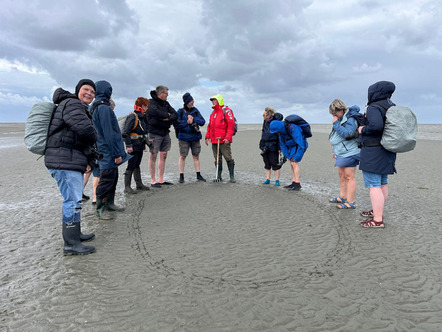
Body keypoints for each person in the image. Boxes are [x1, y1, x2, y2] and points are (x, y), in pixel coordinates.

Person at [45, 79, 98, 255]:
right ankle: (71, 244)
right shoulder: (73, 104)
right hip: (63, 160)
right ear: (78, 91)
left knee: (74, 200)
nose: (89, 93)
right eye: (86, 89)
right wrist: (95, 135)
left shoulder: (75, 105)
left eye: (92, 92)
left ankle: (76, 235)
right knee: (71, 201)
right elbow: (84, 129)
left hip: (67, 158)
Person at [357, 81, 397, 228]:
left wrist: (362, 130)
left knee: (374, 185)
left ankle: (377, 219)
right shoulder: (391, 106)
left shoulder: (374, 107)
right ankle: (376, 211)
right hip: (388, 149)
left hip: (374, 150)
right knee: (383, 183)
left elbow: (376, 126)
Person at [91, 80, 131, 220]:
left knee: (112, 177)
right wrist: (116, 154)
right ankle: (100, 208)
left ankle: (110, 203)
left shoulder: (96, 107)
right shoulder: (103, 108)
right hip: (107, 151)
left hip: (104, 149)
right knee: (106, 179)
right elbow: (109, 133)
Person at [328, 99, 361, 209]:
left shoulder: (350, 119)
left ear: (341, 109)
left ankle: (350, 202)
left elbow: (347, 134)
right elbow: (336, 137)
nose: (333, 115)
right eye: (332, 113)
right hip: (341, 152)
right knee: (342, 175)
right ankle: (342, 196)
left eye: (335, 112)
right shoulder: (341, 118)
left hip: (350, 152)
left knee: (349, 176)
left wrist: (336, 123)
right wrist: (335, 151)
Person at [82, 99, 115, 204]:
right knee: (96, 174)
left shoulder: (91, 112)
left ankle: (79, 192)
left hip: (89, 148)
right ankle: (95, 198)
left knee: (88, 172)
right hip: (95, 149)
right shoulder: (99, 115)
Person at [146, 85, 178, 187]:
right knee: (153, 154)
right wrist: (166, 116)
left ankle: (161, 179)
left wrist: (166, 118)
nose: (167, 96)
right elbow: (154, 114)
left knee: (163, 154)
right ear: (160, 94)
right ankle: (153, 180)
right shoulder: (150, 103)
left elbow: (175, 114)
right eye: (166, 94)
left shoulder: (166, 103)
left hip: (165, 132)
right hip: (154, 133)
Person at [174, 92, 206, 183]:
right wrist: (186, 123)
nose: (193, 102)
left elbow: (203, 122)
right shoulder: (180, 111)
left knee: (196, 156)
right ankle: (181, 176)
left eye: (193, 100)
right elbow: (176, 125)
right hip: (184, 137)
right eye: (191, 101)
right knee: (183, 156)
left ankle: (198, 175)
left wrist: (194, 119)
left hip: (195, 137)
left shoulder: (195, 110)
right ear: (187, 102)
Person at [269, 119, 308, 191]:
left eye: (277, 131)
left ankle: (297, 184)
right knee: (291, 163)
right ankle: (294, 182)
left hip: (299, 146)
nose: (277, 133)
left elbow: (301, 144)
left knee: (294, 163)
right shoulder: (281, 132)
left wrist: (297, 157)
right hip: (291, 146)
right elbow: (282, 144)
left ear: (279, 128)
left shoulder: (293, 128)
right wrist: (286, 155)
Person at [205, 94, 236, 182]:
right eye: (212, 101)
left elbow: (231, 125)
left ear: (219, 100)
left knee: (228, 157)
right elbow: (210, 126)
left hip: (224, 139)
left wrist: (228, 137)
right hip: (214, 140)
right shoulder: (213, 113)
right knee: (217, 158)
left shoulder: (226, 110)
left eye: (214, 100)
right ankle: (218, 176)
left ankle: (232, 176)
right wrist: (207, 137)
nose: (213, 102)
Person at [122, 97, 150, 194]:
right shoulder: (133, 117)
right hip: (133, 145)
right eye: (146, 106)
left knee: (137, 164)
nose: (147, 108)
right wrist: (129, 145)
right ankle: (127, 186)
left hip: (140, 144)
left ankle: (139, 184)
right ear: (142, 106)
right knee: (131, 165)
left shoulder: (142, 117)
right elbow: (126, 132)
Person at [259, 107, 284, 186]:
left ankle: (277, 180)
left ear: (269, 115)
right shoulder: (265, 122)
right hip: (265, 145)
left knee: (275, 163)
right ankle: (267, 179)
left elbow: (279, 135)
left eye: (264, 115)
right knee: (267, 163)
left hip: (273, 145)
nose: (263, 116)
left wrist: (279, 148)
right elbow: (263, 133)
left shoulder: (275, 122)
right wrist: (261, 145)